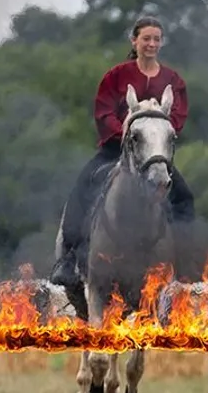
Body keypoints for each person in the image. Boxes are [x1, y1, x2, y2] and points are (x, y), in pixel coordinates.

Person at [50, 16, 195, 288]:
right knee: (80, 189)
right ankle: (68, 259)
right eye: (146, 39)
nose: (151, 44)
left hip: (153, 155)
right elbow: (103, 113)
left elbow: (177, 116)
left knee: (185, 198)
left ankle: (186, 266)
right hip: (114, 150)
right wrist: (126, 132)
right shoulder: (115, 77)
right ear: (134, 41)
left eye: (156, 39)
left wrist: (155, 136)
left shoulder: (173, 80)